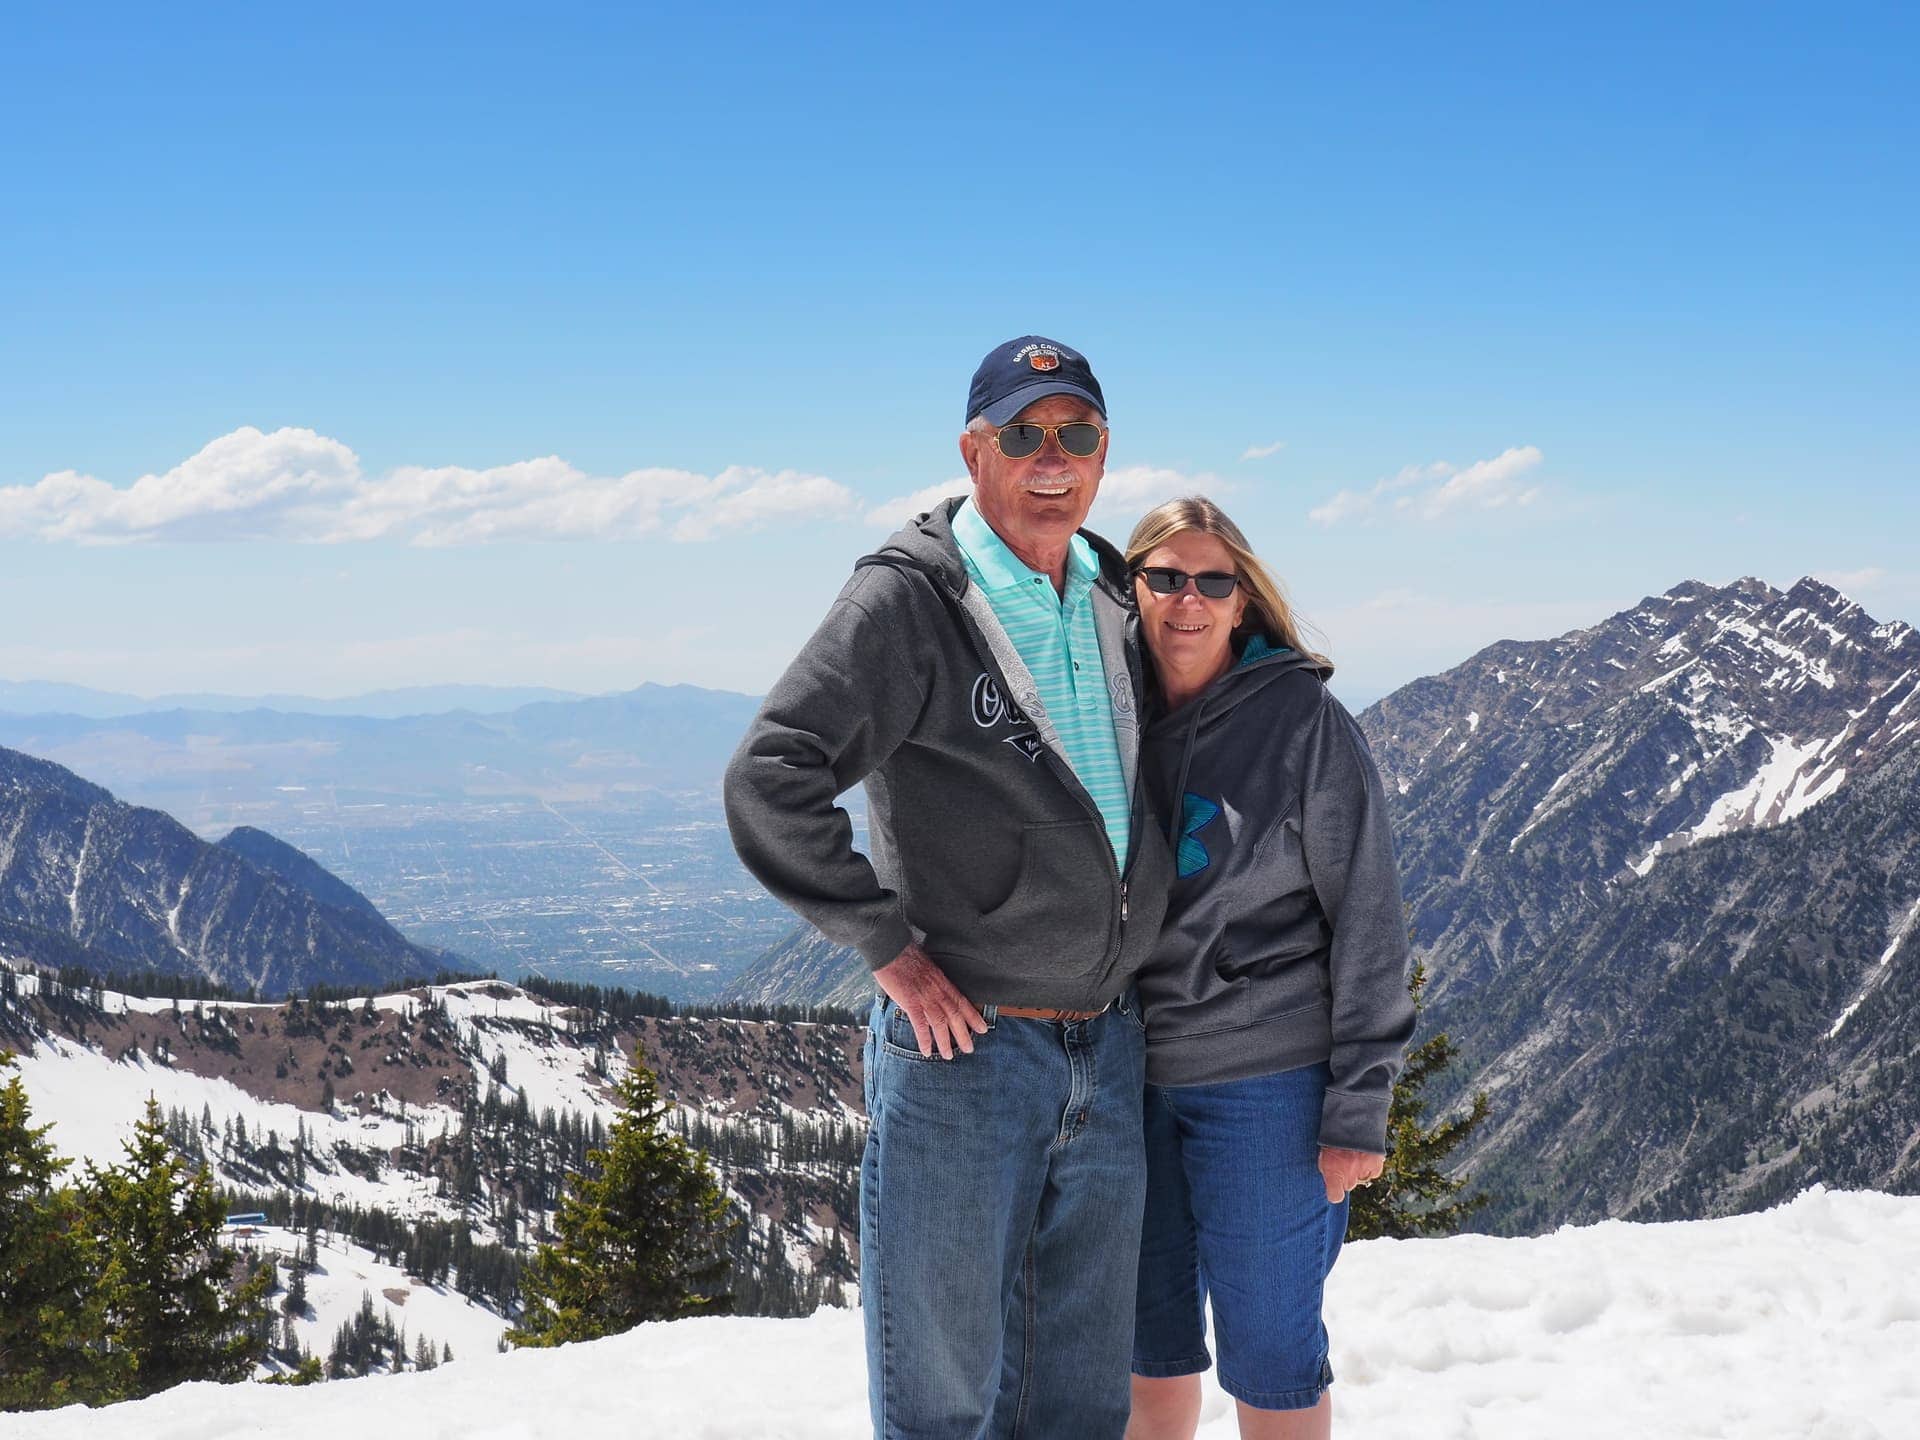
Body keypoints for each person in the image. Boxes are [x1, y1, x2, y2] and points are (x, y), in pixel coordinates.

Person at [725, 336, 1173, 1439]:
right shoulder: (911, 600)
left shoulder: (1112, 586)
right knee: (942, 1400)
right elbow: (770, 775)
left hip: (1108, 1051)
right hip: (966, 1060)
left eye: (1079, 434)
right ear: (974, 450)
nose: (1052, 458)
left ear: (1106, 452)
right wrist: (884, 944)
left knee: (1077, 1399)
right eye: (1024, 434)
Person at [1120, 498, 1415, 1440]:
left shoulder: (1303, 721)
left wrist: (1359, 1104)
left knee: (1273, 1360)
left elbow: (1370, 914)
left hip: (1268, 1087)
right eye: (1164, 577)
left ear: (1244, 601)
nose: (1188, 601)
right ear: (1131, 591)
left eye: (1214, 581)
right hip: (1128, 1076)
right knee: (1144, 1350)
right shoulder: (1103, 709)